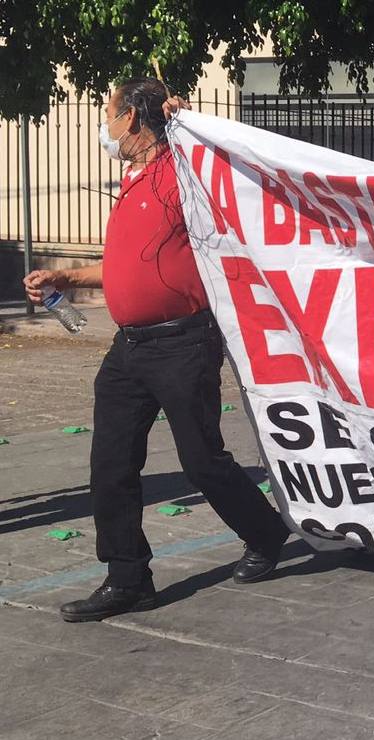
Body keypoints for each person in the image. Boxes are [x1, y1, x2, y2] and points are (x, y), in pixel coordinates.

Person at [22, 78, 291, 623]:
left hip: (182, 343)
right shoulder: (132, 182)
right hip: (129, 350)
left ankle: (265, 532)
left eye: (111, 117)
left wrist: (183, 117)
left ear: (136, 120)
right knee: (111, 464)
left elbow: (215, 158)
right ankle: (128, 578)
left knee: (201, 460)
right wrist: (66, 275)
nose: (105, 129)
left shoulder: (179, 173)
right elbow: (121, 266)